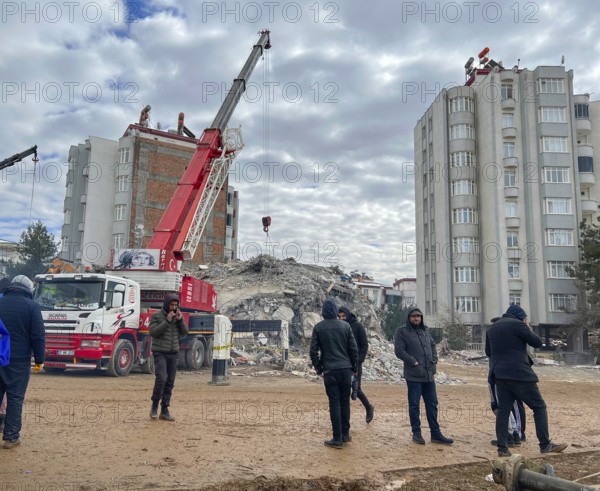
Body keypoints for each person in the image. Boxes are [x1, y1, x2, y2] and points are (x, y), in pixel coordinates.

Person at [485, 304, 567, 457]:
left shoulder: (492, 329)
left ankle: (502, 448)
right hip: (520, 374)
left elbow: (488, 352)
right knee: (539, 407)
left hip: (500, 376)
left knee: (503, 411)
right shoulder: (518, 325)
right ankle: (544, 444)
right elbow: (536, 342)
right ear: (521, 317)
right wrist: (526, 326)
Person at [394, 307, 453, 445]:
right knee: (414, 405)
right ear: (409, 317)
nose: (416, 319)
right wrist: (413, 361)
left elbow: (432, 345)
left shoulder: (425, 330)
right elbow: (399, 350)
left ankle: (436, 434)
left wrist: (434, 359)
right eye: (414, 316)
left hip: (428, 375)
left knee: (432, 405)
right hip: (414, 375)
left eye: (419, 316)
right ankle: (417, 433)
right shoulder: (402, 331)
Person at [0, 275, 45, 449]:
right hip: (18, 361)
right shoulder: (32, 306)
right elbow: (38, 335)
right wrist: (39, 360)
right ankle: (11, 437)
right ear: (28, 289)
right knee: (15, 397)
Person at [310, 298, 358, 449]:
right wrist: (354, 367)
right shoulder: (345, 326)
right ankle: (345, 434)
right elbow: (353, 349)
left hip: (330, 370)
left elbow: (313, 351)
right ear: (336, 311)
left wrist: (319, 368)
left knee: (334, 404)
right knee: (345, 402)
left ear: (323, 312)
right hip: (345, 370)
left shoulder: (318, 327)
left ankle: (337, 438)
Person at [487, 317, 526, 448]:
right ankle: (514, 433)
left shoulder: (499, 343)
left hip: (499, 377)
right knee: (506, 407)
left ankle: (510, 434)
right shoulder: (508, 342)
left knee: (499, 407)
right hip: (505, 376)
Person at [149, 294, 188, 421]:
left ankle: (164, 410)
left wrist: (180, 320)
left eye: (176, 305)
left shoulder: (177, 317)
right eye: (171, 305)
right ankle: (154, 406)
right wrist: (167, 321)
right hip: (160, 352)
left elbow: (184, 333)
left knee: (170, 382)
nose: (174, 307)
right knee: (162, 378)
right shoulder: (157, 316)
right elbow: (153, 332)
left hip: (173, 353)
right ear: (166, 304)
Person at [338, 307, 374, 423]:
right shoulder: (338, 326)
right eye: (339, 317)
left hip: (355, 363)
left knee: (356, 389)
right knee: (342, 391)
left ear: (348, 315)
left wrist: (359, 360)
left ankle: (368, 407)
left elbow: (364, 345)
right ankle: (342, 418)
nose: (342, 319)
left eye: (343, 316)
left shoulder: (357, 326)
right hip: (342, 363)